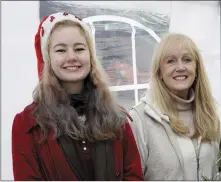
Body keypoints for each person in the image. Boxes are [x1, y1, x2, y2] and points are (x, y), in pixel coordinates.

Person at [11, 12, 144, 181]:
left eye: (79, 48)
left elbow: (134, 176)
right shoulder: (27, 125)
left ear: (90, 55)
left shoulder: (116, 119)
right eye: (60, 50)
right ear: (48, 58)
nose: (72, 57)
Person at [128, 33, 221, 180]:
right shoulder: (139, 119)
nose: (180, 67)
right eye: (171, 61)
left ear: (196, 69)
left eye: (187, 60)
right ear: (159, 71)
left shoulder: (208, 114)